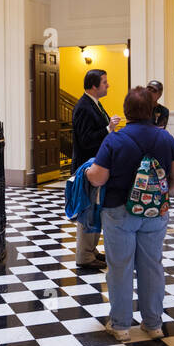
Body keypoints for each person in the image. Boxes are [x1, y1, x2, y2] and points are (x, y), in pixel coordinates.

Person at [87, 87, 174, 341]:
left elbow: (98, 177)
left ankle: (121, 326)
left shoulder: (115, 139)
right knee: (152, 265)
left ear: (126, 111)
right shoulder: (165, 139)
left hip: (119, 211)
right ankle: (153, 324)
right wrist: (165, 193)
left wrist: (87, 173)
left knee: (120, 268)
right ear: (151, 111)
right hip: (155, 211)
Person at [71, 69, 122, 270]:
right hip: (87, 166)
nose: (108, 85)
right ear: (94, 85)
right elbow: (85, 140)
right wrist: (108, 129)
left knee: (95, 208)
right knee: (88, 210)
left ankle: (90, 250)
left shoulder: (94, 104)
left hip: (95, 164)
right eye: (104, 82)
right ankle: (84, 255)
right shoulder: (84, 107)